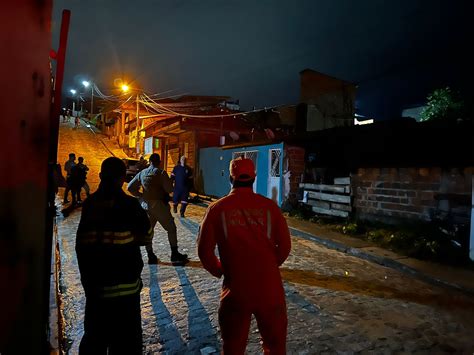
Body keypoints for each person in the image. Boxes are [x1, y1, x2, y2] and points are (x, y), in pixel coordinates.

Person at [197, 158, 291, 354]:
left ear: (231, 178)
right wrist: (270, 266)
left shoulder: (217, 209)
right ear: (254, 177)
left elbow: (205, 252)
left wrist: (220, 270)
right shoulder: (270, 208)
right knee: (275, 346)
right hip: (269, 287)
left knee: (233, 346)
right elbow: (284, 247)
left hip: (236, 289)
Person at [76, 157, 152, 354]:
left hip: (97, 293)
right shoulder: (130, 205)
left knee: (95, 342)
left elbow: (81, 247)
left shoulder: (89, 205)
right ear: (122, 179)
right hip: (127, 294)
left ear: (101, 176)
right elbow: (146, 236)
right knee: (127, 344)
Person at [127, 153, 189, 265]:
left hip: (146, 206)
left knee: (148, 231)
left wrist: (140, 196)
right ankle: (174, 254)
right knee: (171, 228)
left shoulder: (142, 173)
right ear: (159, 162)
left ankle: (151, 255)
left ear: (149, 161)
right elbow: (169, 189)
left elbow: (130, 187)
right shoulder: (161, 173)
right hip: (159, 206)